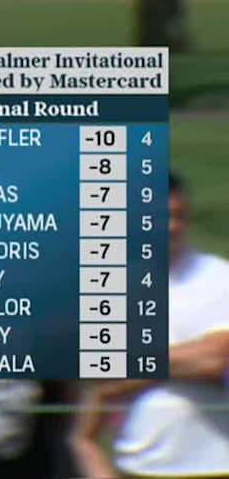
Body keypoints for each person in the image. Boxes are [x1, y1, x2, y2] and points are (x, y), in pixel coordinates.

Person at [71, 171, 229, 478]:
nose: (171, 227)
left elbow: (216, 359)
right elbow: (97, 382)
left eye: (179, 216)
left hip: (217, 466)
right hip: (138, 467)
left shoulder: (220, 278)